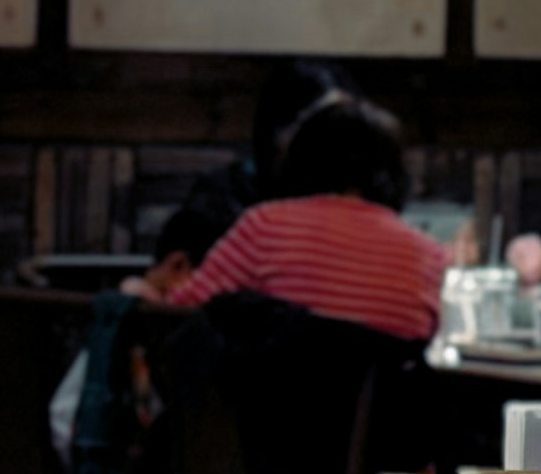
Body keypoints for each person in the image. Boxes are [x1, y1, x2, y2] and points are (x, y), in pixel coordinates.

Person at [176, 96, 450, 342]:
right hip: (381, 398)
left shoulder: (265, 227)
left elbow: (184, 310)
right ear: (397, 174)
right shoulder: (430, 258)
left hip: (271, 395)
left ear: (300, 161)